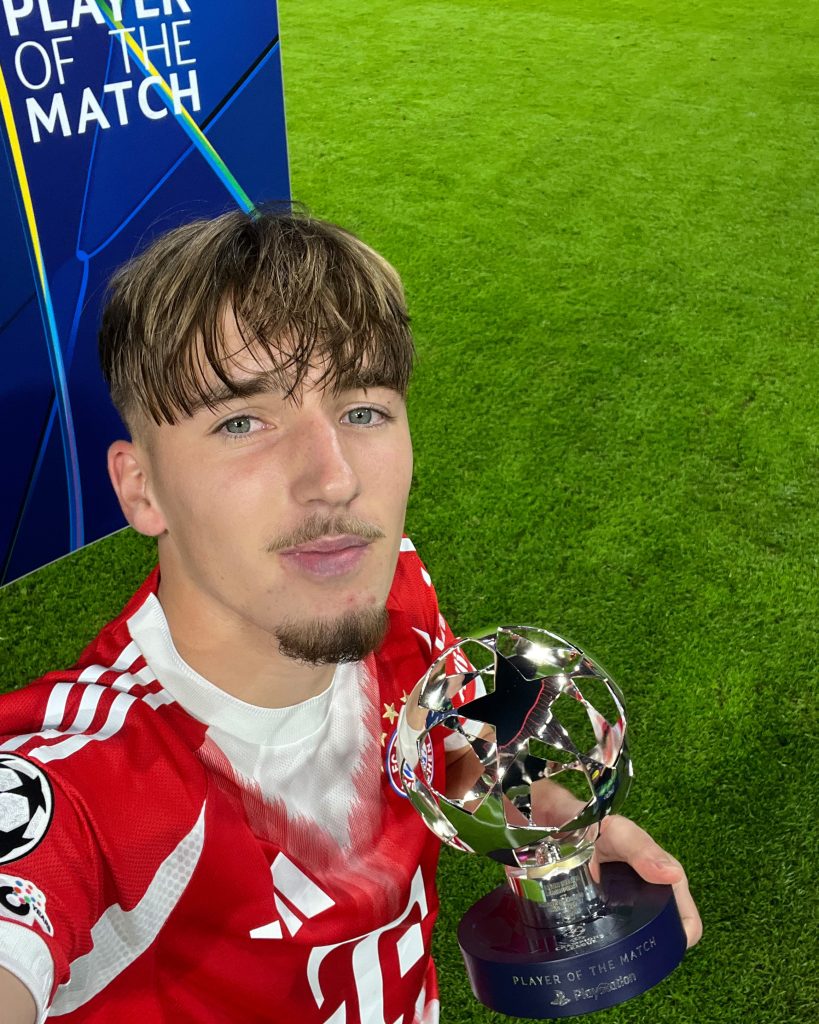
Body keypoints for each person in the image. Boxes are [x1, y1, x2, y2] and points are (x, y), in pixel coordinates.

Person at [0, 210, 701, 1022]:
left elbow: (447, 728)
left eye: (362, 409)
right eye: (241, 421)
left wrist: (533, 813)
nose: (333, 480)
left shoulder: (393, 589)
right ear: (139, 489)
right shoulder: (77, 783)